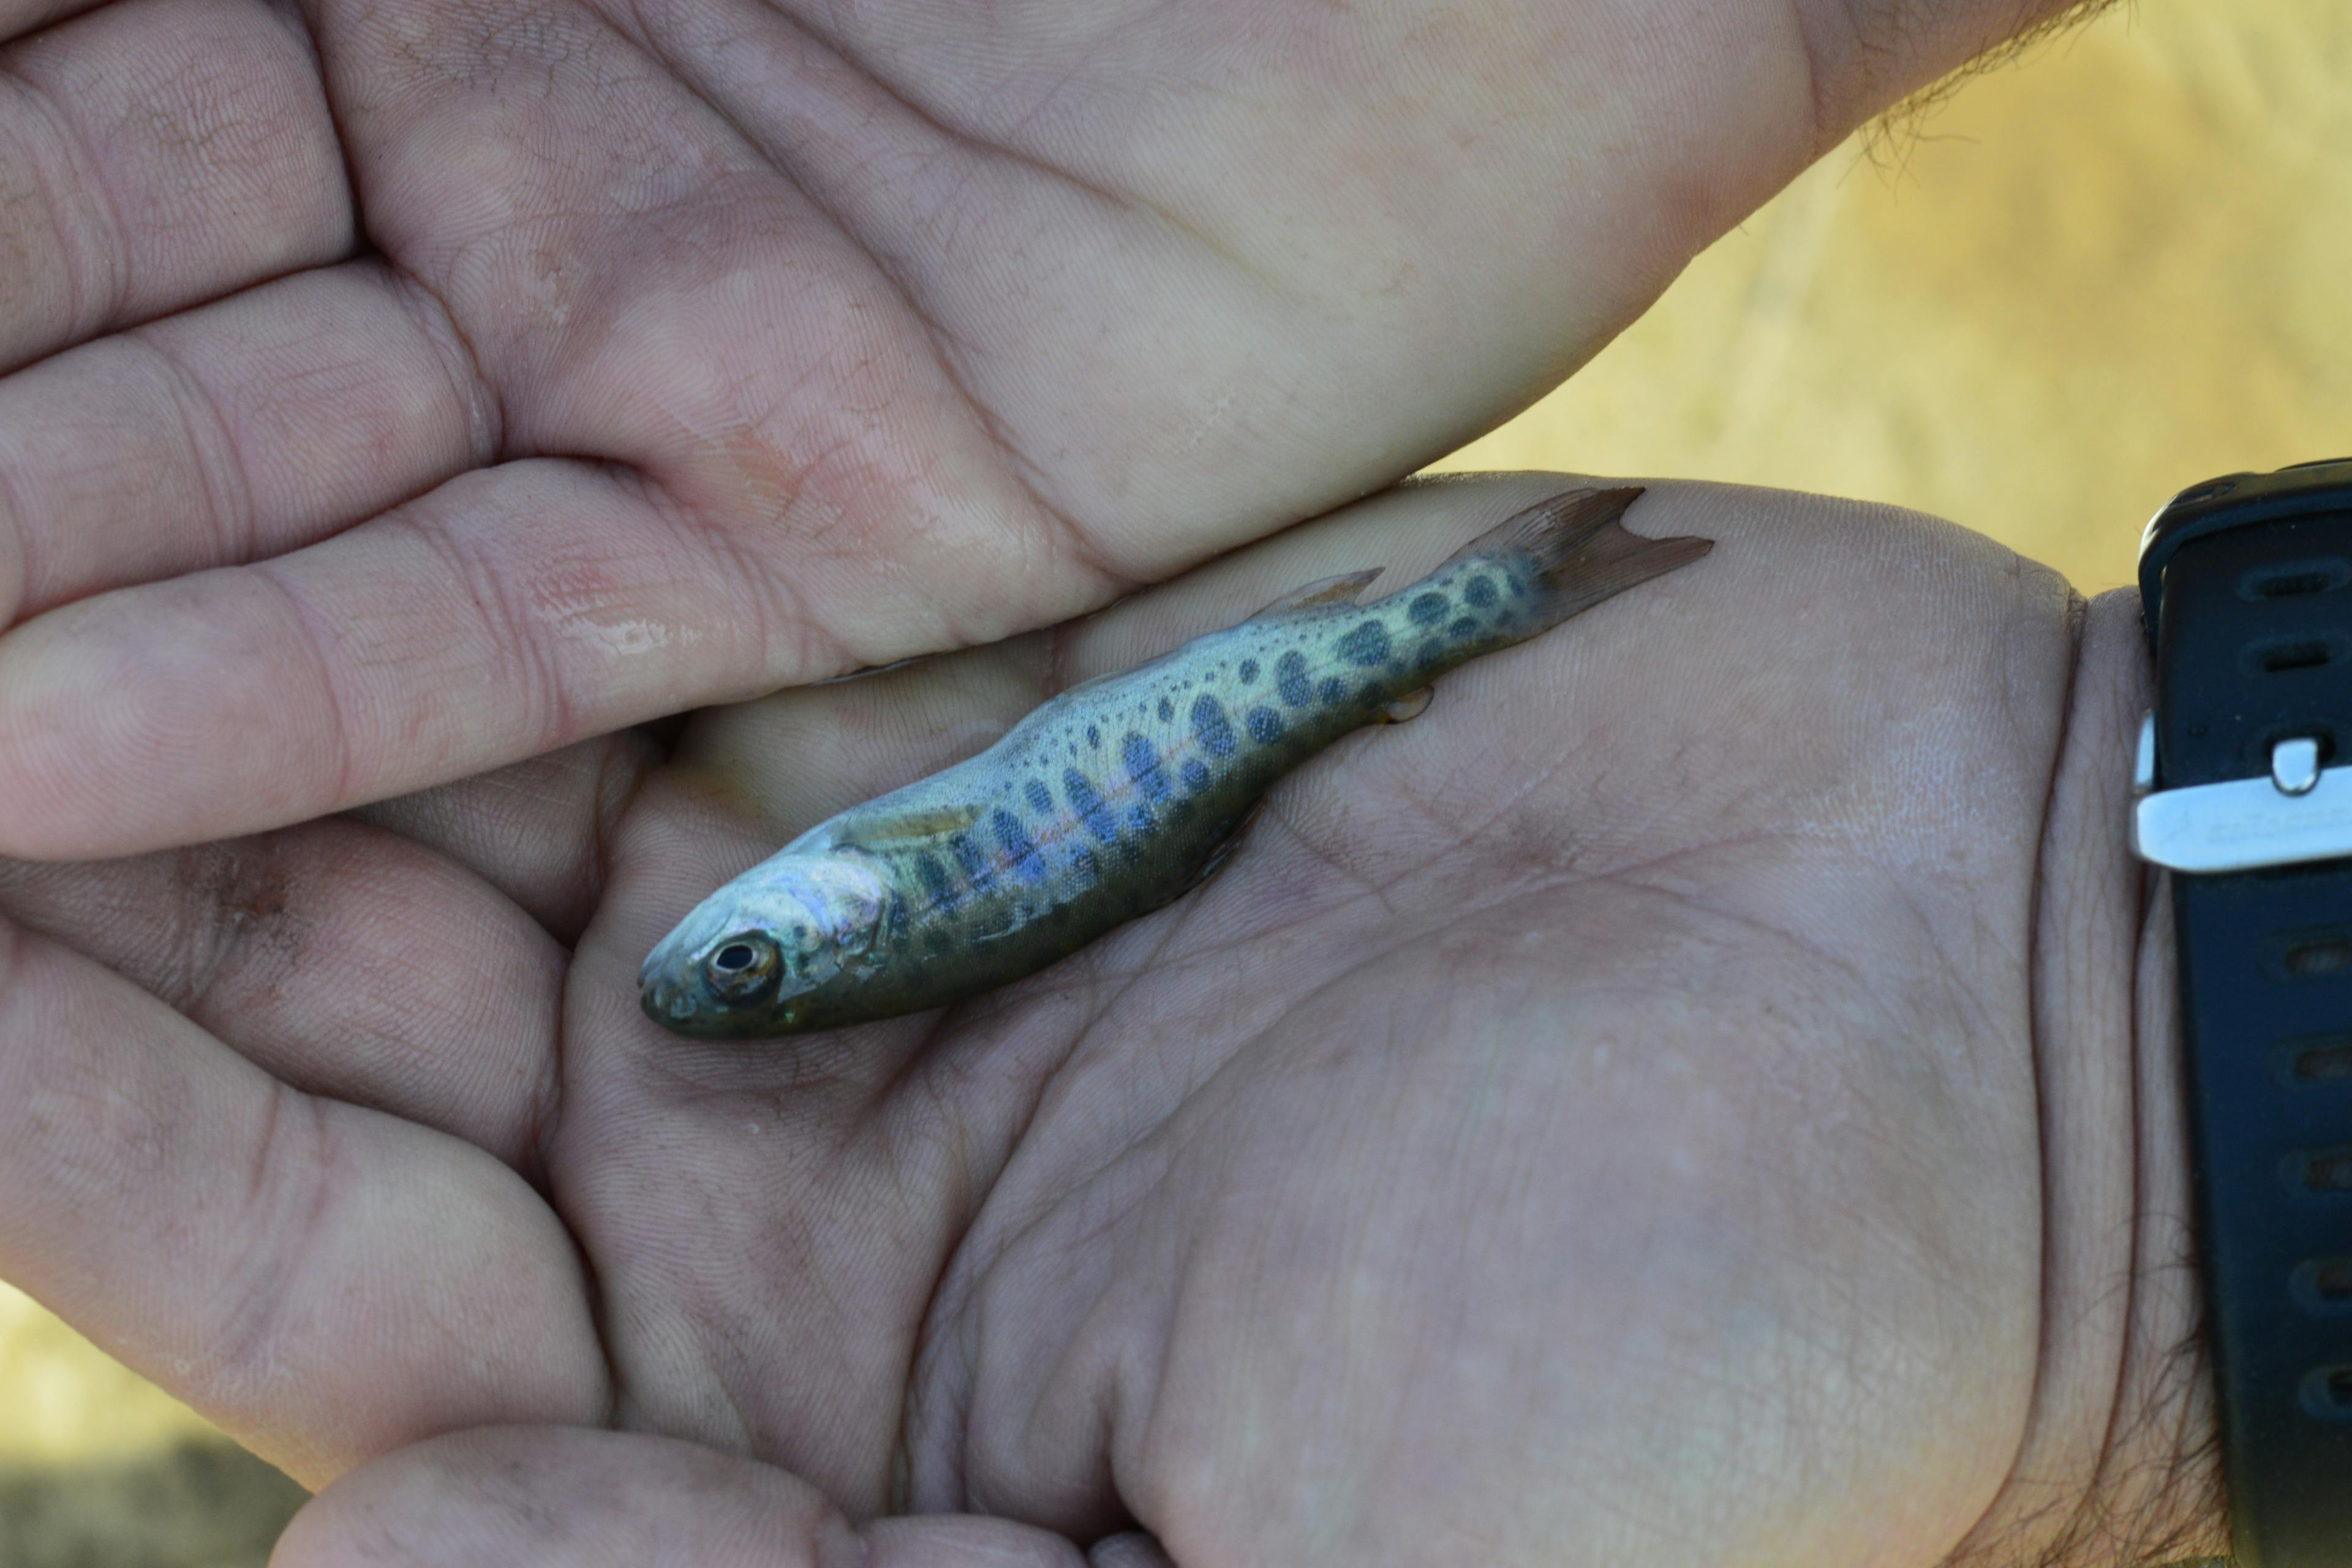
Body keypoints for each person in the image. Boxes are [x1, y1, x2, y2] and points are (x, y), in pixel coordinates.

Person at [0, 0, 2222, 1562]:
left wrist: (2111, 1127)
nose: (727, 950)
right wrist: (2099, 1093)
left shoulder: (838, 902)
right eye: (751, 967)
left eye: (747, 963)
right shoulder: (881, 895)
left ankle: (1487, 610)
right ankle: (1485, 608)